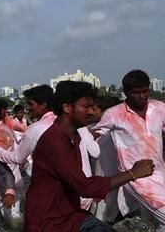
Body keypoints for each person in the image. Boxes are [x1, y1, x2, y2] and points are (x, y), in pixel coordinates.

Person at [25, 80, 155, 232]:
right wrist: (133, 173)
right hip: (48, 223)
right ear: (67, 107)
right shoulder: (54, 141)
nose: (92, 112)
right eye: (86, 107)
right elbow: (84, 186)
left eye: (93, 107)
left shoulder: (75, 136)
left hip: (71, 216)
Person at [94, 70, 165, 230]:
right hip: (136, 178)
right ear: (126, 93)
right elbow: (93, 136)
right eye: (136, 92)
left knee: (151, 224)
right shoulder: (114, 114)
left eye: (145, 91)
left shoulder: (159, 108)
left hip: (159, 174)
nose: (142, 96)